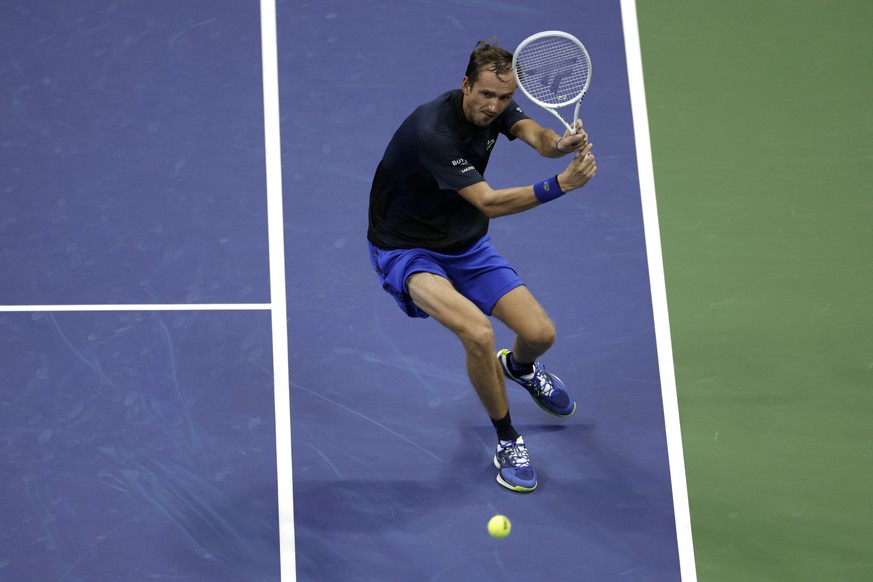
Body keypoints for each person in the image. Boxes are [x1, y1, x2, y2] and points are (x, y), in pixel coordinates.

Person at [366, 39, 597, 492]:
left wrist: (560, 143)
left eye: (505, 98)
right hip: (406, 249)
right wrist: (561, 185)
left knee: (539, 335)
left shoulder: (500, 107)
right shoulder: (432, 132)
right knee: (477, 332)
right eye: (486, 95)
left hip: (465, 243)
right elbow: (489, 202)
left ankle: (522, 368)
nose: (494, 106)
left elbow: (538, 138)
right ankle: (508, 438)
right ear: (466, 84)